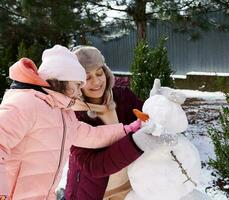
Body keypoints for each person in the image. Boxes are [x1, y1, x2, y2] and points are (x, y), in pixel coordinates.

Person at [0, 45, 142, 199]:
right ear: (63, 81)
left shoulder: (63, 112)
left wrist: (129, 129)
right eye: (77, 84)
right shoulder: (25, 102)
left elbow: (92, 136)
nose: (79, 91)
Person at [64, 46, 144, 200]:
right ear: (76, 82)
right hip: (92, 192)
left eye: (99, 73)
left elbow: (146, 116)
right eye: (87, 78)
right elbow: (92, 165)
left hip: (130, 187)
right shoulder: (72, 113)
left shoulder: (122, 96)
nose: (96, 82)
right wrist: (135, 143)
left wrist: (159, 105)